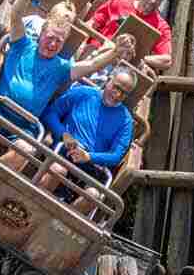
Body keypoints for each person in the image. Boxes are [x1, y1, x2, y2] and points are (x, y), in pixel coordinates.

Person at [0, 0, 134, 168]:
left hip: (26, 125)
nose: (53, 44)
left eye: (59, 41)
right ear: (41, 34)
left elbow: (92, 65)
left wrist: (115, 51)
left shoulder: (61, 66)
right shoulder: (23, 45)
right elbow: (15, 15)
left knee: (27, 149)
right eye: (50, 38)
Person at [36, 67, 139, 213]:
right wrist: (64, 135)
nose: (117, 95)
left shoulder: (125, 121)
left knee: (94, 195)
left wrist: (89, 157)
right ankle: (32, 207)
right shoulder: (84, 93)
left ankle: (58, 225)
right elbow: (50, 113)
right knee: (58, 170)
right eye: (116, 87)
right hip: (64, 152)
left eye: (124, 93)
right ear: (109, 79)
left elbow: (116, 156)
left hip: (91, 166)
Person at [87, 0, 173, 72]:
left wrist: (140, 59)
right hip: (98, 52)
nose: (153, 1)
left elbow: (167, 61)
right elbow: (92, 23)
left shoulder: (161, 26)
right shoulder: (119, 2)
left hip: (122, 69)